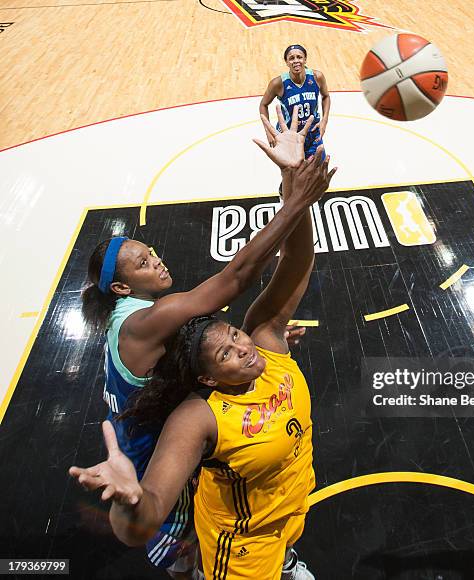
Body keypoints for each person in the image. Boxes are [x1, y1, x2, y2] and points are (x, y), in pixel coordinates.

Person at [69, 125, 337, 579]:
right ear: (120, 287)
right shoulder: (147, 326)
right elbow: (235, 279)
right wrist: (295, 200)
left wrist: (250, 349)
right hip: (149, 463)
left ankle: (276, 556)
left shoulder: (151, 326)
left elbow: (290, 271)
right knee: (185, 555)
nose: (156, 259)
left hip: (246, 492)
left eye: (150, 251)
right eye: (142, 262)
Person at [260, 44, 331, 161]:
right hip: (290, 136)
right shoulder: (278, 83)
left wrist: (324, 121)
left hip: (312, 133)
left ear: (305, 59)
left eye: (299, 57)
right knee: (296, 175)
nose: (296, 61)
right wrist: (268, 131)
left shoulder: (317, 77)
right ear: (286, 62)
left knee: (320, 171)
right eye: (291, 58)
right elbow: (263, 105)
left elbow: (326, 96)